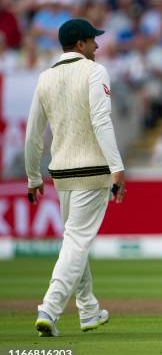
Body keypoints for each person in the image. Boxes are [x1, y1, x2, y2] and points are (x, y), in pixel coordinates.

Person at [25, 18, 126, 337]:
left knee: (74, 241)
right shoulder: (94, 71)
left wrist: (32, 177)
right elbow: (101, 120)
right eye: (92, 40)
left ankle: (88, 310)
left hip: (62, 173)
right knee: (77, 242)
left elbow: (32, 135)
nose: (97, 46)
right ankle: (50, 308)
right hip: (93, 170)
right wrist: (117, 167)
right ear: (80, 44)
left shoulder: (45, 77)